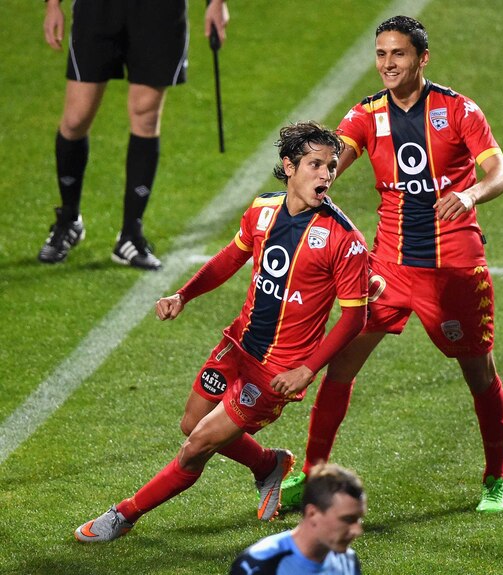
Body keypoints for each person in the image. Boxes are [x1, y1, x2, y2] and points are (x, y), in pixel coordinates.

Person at [74, 122, 370, 542]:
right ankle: (268, 465)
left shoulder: (344, 238)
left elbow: (354, 318)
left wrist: (307, 369)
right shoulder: (263, 209)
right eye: (315, 164)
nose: (326, 175)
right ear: (289, 166)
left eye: (331, 166)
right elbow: (230, 259)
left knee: (196, 445)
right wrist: (184, 294)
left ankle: (123, 516)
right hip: (238, 344)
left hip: (276, 373)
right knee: (191, 422)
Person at [278, 15, 503, 513]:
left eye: (398, 54)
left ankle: (497, 476)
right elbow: (331, 161)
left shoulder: (458, 111)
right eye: (381, 54)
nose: (388, 64)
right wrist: (307, 181)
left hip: (452, 268)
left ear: (421, 58)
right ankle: (313, 472)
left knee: (478, 373)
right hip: (387, 267)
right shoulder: (366, 115)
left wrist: (470, 193)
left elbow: (501, 172)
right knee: (341, 366)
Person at [38, 0, 230, 270]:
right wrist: (53, 4)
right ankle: (68, 220)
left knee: (146, 116)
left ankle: (130, 235)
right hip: (98, 10)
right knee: (75, 118)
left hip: (159, 11)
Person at [230, 463, 366, 575]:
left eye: (358, 519)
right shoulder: (260, 564)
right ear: (312, 514)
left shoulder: (348, 561)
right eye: (347, 519)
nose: (357, 530)